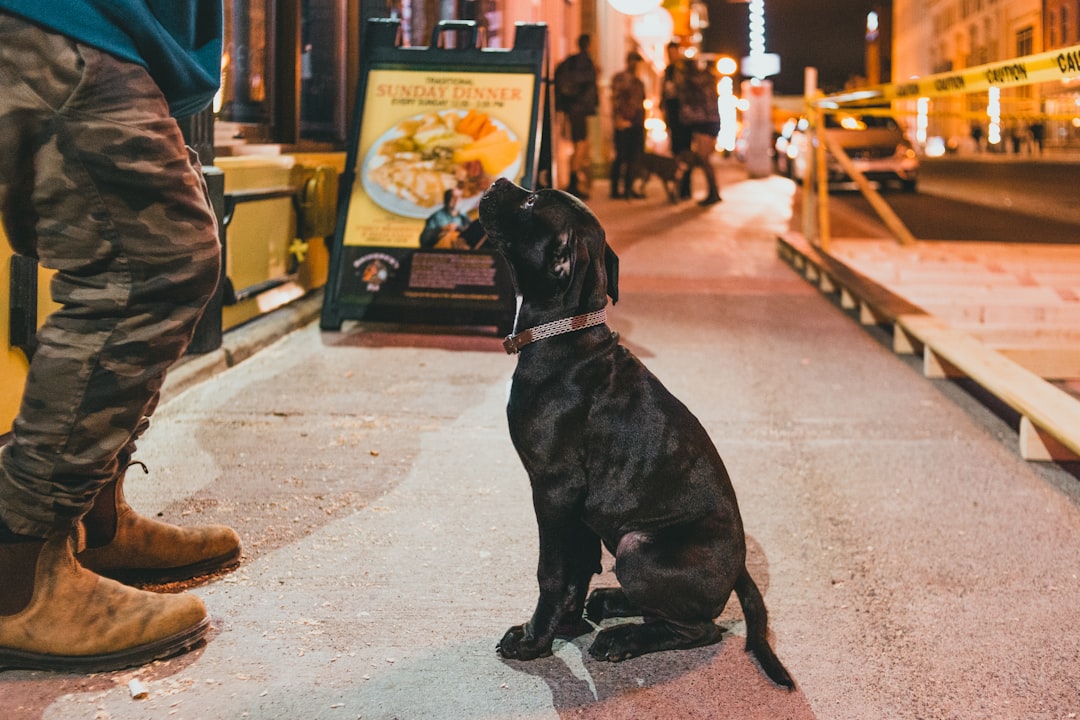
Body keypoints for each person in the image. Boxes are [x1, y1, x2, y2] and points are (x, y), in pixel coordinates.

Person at [0, 1, 242, 673]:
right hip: (62, 16)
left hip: (108, 26)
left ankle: (93, 525)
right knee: (153, 264)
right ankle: (17, 575)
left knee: (157, 257)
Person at [554, 34, 599, 200]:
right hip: (578, 108)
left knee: (580, 143)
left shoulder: (574, 60)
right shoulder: (584, 61)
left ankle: (574, 179)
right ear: (589, 44)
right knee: (580, 144)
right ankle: (573, 180)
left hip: (574, 107)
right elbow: (584, 82)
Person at [677, 59, 723, 206]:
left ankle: (714, 192)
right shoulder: (706, 80)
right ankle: (713, 191)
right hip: (706, 122)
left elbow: (692, 102)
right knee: (704, 159)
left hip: (705, 123)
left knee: (704, 159)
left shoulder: (697, 81)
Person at [609, 51, 647, 200]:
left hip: (637, 123)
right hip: (624, 123)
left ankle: (628, 189)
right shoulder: (620, 79)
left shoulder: (638, 81)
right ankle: (615, 189)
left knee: (634, 158)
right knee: (620, 156)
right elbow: (615, 99)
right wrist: (618, 118)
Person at [662, 42, 692, 199]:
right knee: (675, 153)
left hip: (685, 118)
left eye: (674, 52)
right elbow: (664, 94)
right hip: (673, 117)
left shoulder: (684, 70)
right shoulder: (668, 71)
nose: (672, 56)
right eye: (669, 53)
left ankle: (686, 188)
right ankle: (677, 188)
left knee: (685, 153)